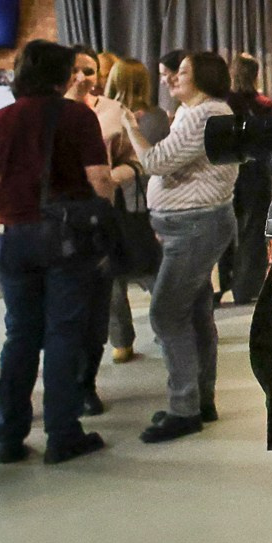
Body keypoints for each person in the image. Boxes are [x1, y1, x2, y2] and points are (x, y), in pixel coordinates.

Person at [0, 38, 117, 465]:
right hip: (66, 239)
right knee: (63, 335)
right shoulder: (76, 117)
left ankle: (8, 435)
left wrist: (11, 215)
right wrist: (100, 215)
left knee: (19, 335)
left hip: (12, 239)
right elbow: (100, 180)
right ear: (63, 75)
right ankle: (62, 433)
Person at [134, 49, 238, 444]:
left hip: (195, 226)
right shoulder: (200, 113)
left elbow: (157, 162)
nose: (172, 77)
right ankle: (198, 400)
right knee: (194, 313)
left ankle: (184, 409)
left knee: (165, 313)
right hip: (194, 225)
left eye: (182, 71)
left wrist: (130, 127)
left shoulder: (204, 114)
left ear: (204, 77)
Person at [68, 46, 138, 415]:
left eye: (89, 71)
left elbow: (133, 161)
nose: (82, 78)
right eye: (75, 70)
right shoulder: (46, 113)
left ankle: (85, 384)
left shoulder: (112, 112)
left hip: (99, 219)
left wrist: (111, 178)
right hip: (55, 222)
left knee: (101, 303)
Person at [102, 59, 159, 364]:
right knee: (152, 271)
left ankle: (121, 341)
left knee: (113, 275)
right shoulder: (159, 117)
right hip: (148, 205)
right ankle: (165, 330)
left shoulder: (102, 115)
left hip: (112, 205)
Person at [226, 52, 272, 308]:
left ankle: (220, 283)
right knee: (254, 230)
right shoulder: (263, 104)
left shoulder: (224, 102)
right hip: (256, 171)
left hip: (228, 170)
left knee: (226, 228)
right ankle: (245, 286)